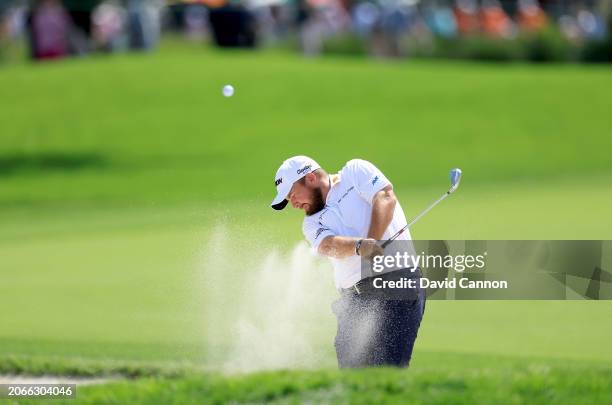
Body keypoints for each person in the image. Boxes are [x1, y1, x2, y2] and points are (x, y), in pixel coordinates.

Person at [270, 156, 425, 368]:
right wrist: (361, 246)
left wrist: (373, 239)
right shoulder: (311, 222)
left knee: (387, 369)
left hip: (396, 285)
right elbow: (327, 244)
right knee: (353, 375)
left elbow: (385, 197)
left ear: (311, 177)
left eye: (292, 195)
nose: (293, 204)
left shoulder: (354, 172)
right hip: (353, 300)